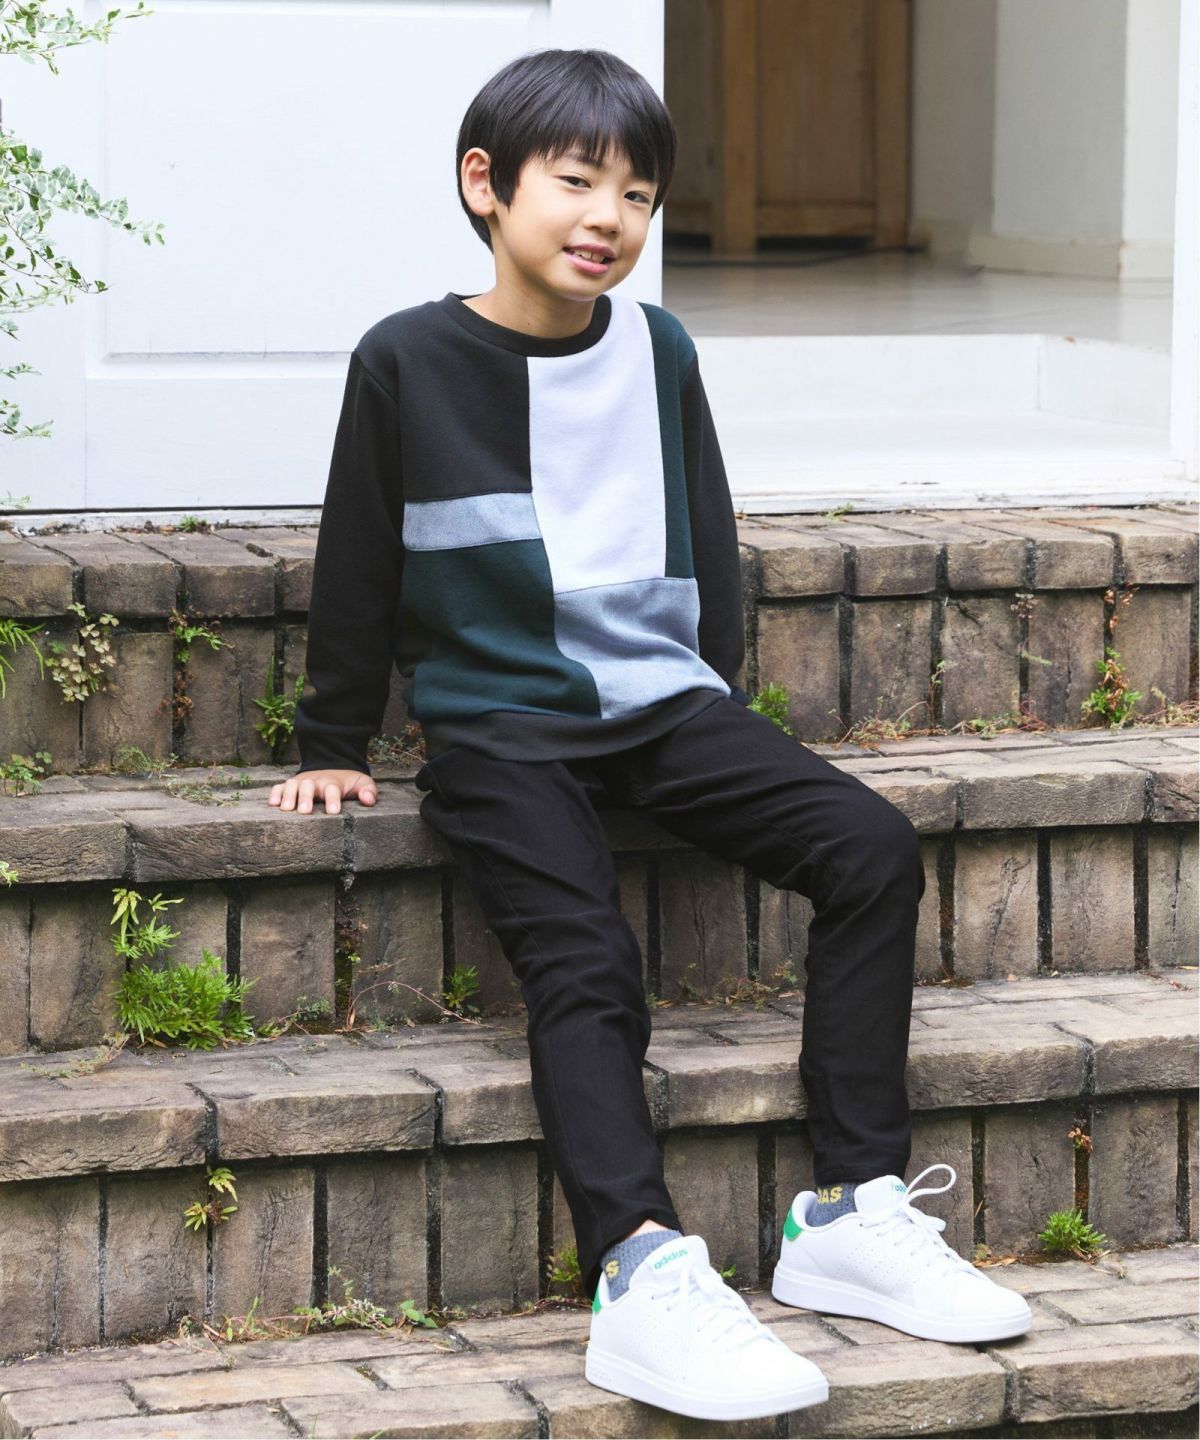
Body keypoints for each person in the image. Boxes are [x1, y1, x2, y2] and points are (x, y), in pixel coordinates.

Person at [268, 45, 1032, 1424]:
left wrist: (715, 699)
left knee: (869, 845)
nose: (607, 217)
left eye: (637, 194)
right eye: (577, 182)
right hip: (503, 725)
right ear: (486, 185)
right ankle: (640, 1266)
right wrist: (332, 736)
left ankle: (852, 1213)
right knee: (587, 955)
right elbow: (357, 555)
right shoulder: (408, 359)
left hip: (667, 708)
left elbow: (706, 534)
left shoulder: (660, 347)